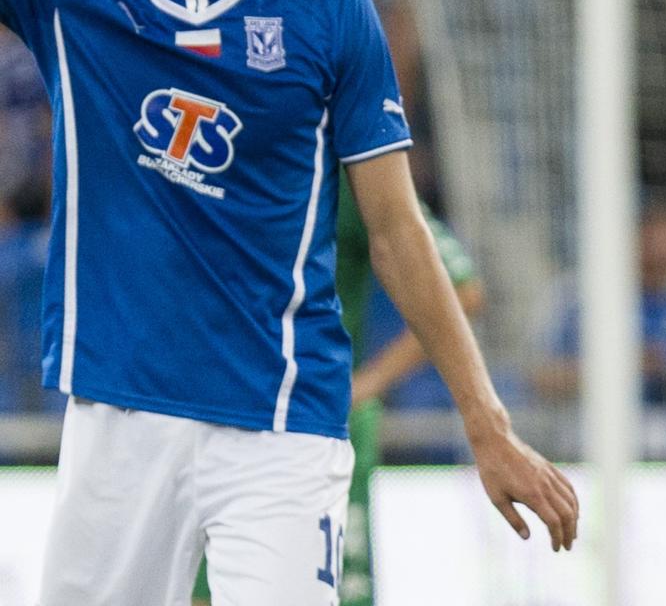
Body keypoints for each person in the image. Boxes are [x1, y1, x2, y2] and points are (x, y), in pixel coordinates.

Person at [0, 0, 576, 606]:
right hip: (121, 419)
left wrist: (486, 424)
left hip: (281, 427)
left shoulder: (329, 12)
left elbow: (396, 229)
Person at [191, 171, 485, 605]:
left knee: (335, 593)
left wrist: (369, 383)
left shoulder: (351, 169)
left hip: (320, 424)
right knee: (202, 592)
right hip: (219, 413)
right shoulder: (222, 151)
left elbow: (463, 289)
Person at [533, 201, 666, 459]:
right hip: (591, 450)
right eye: (658, 233)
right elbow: (541, 379)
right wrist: (618, 368)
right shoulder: (577, 297)